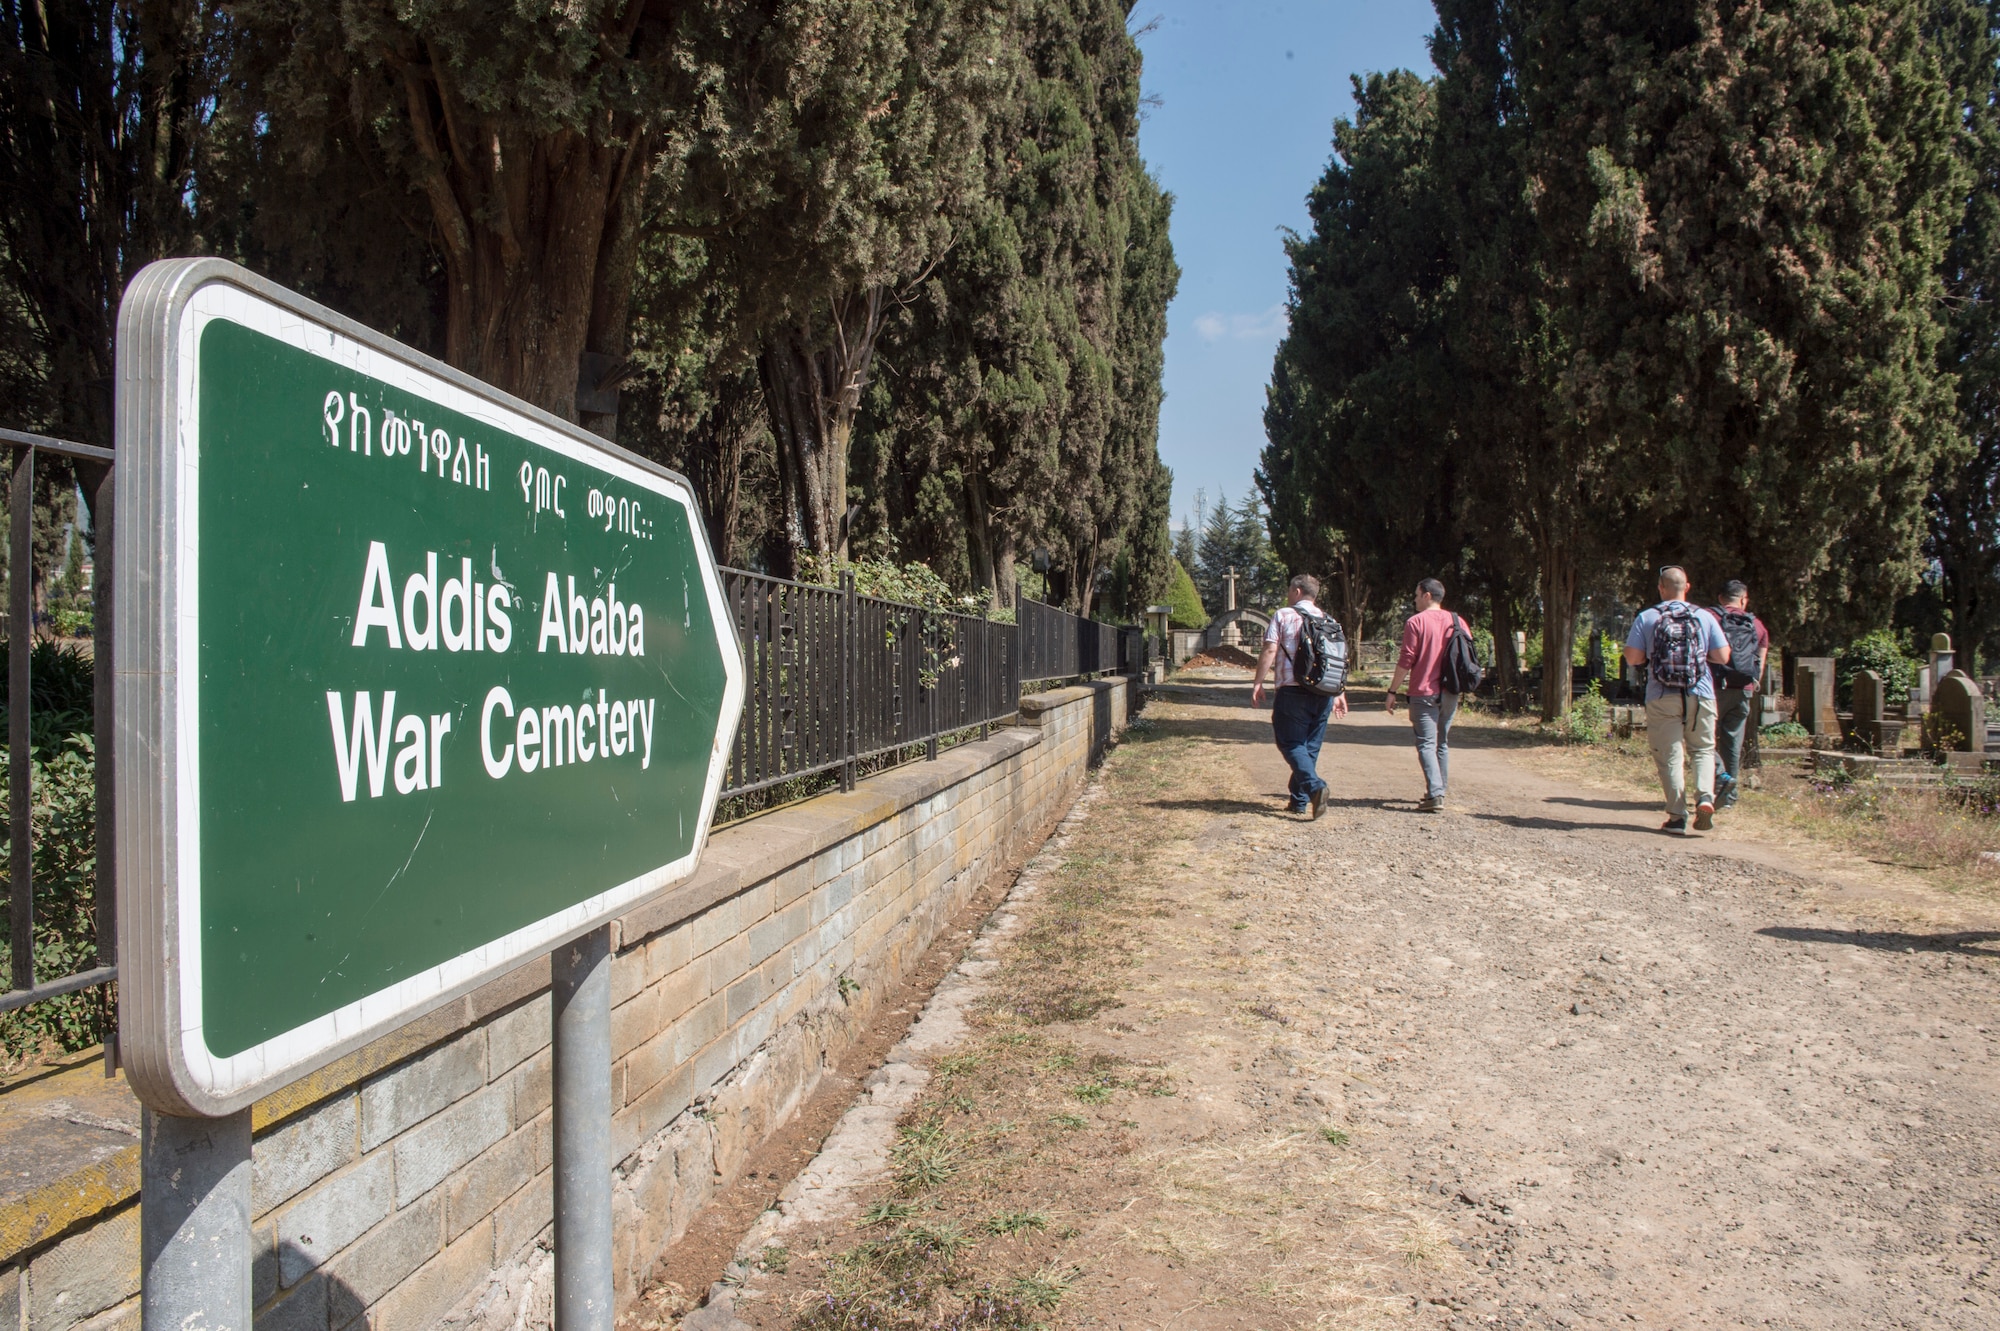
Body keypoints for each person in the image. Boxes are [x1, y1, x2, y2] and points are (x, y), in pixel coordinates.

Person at [1623, 566, 1731, 833]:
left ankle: (1677, 817)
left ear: (1661, 588)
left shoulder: (1648, 617)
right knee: (1703, 749)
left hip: (1662, 695)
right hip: (1701, 692)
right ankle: (1706, 798)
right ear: (1687, 587)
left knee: (1670, 755)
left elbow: (1634, 658)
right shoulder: (1704, 616)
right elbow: (1723, 656)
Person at [1251, 574, 1349, 817]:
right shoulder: (1329, 620)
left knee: (1291, 743)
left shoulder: (1283, 615)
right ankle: (1299, 801)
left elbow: (1270, 647)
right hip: (1324, 691)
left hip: (1292, 689)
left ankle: (1316, 788)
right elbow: (1337, 658)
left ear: (1296, 590)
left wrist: (1258, 682)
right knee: (1310, 747)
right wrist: (1339, 692)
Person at [1385, 578, 1463, 812]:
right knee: (1442, 743)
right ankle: (1439, 789)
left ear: (1427, 595)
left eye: (1417, 595)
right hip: (1450, 691)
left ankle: (1435, 793)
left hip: (1424, 691)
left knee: (1427, 743)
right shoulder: (1458, 621)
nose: (1415, 599)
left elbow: (1406, 659)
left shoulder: (1416, 622)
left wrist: (1392, 691)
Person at [1708, 580, 1769, 810]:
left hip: (1714, 688)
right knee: (1733, 742)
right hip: (1743, 689)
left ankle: (1719, 780)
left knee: (1703, 739)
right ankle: (1730, 799)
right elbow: (1759, 665)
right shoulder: (1758, 625)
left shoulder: (1710, 617)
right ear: (1744, 599)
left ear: (1720, 597)